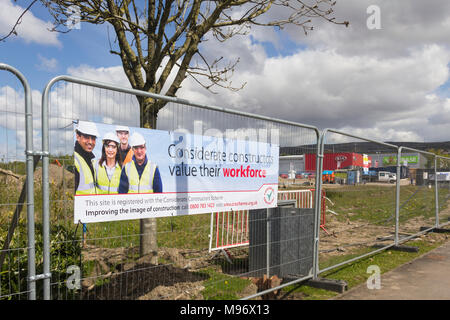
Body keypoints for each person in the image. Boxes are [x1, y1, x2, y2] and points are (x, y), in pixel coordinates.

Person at [74, 121, 99, 195]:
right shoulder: (75, 160)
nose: (90, 142)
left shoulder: (88, 160)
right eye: (86, 137)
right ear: (78, 137)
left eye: (93, 138)